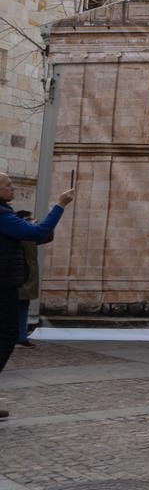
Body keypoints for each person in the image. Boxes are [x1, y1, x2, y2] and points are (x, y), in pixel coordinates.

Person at [1, 172, 75, 419]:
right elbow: (37, 233)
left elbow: (39, 235)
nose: (13, 189)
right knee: (8, 336)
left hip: (8, 284)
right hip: (3, 287)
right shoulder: (3, 217)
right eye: (8, 185)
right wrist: (60, 204)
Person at [13, 210, 42, 348]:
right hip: (19, 278)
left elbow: (46, 236)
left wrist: (40, 226)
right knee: (13, 307)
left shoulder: (29, 237)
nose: (32, 220)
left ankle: (21, 336)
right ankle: (17, 336)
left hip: (28, 278)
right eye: (28, 219)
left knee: (23, 307)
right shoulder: (17, 235)